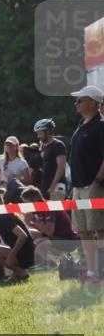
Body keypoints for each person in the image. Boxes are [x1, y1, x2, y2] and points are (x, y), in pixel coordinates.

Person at [67, 85, 104, 282]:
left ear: (92, 103)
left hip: (94, 186)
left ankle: (101, 271)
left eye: (80, 100)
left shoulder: (101, 126)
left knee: (100, 229)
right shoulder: (82, 125)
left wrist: (97, 180)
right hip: (78, 187)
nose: (76, 103)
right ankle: (92, 272)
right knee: (83, 230)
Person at [20, 185, 80, 265]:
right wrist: (29, 223)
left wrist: (33, 221)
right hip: (57, 237)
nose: (25, 206)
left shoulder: (48, 207)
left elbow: (49, 232)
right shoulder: (39, 208)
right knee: (32, 235)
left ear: (34, 200)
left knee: (40, 244)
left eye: (26, 203)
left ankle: (54, 262)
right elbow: (42, 230)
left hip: (68, 240)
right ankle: (57, 260)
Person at [35, 118, 68, 197]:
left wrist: (53, 186)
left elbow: (61, 167)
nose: (38, 136)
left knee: (57, 205)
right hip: (46, 187)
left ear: (48, 132)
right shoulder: (45, 147)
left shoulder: (58, 145)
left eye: (40, 133)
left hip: (56, 187)